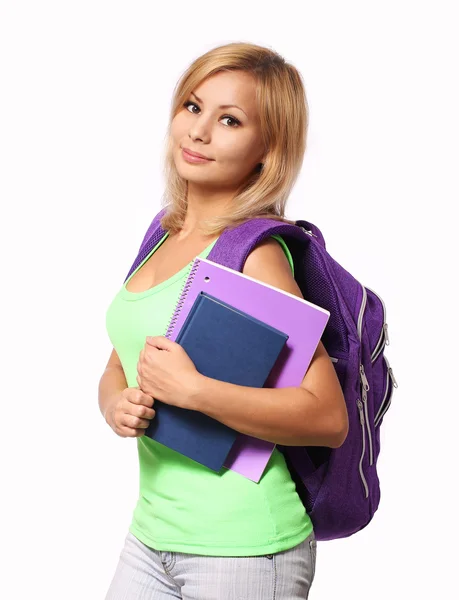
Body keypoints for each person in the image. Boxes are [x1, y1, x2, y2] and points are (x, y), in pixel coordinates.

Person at [100, 41, 349, 600]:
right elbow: (121, 361)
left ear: (267, 149)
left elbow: (328, 416)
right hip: (150, 535)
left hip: (244, 550)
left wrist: (195, 390)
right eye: (192, 106)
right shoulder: (163, 233)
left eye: (229, 120)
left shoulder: (252, 254)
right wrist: (117, 403)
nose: (199, 131)